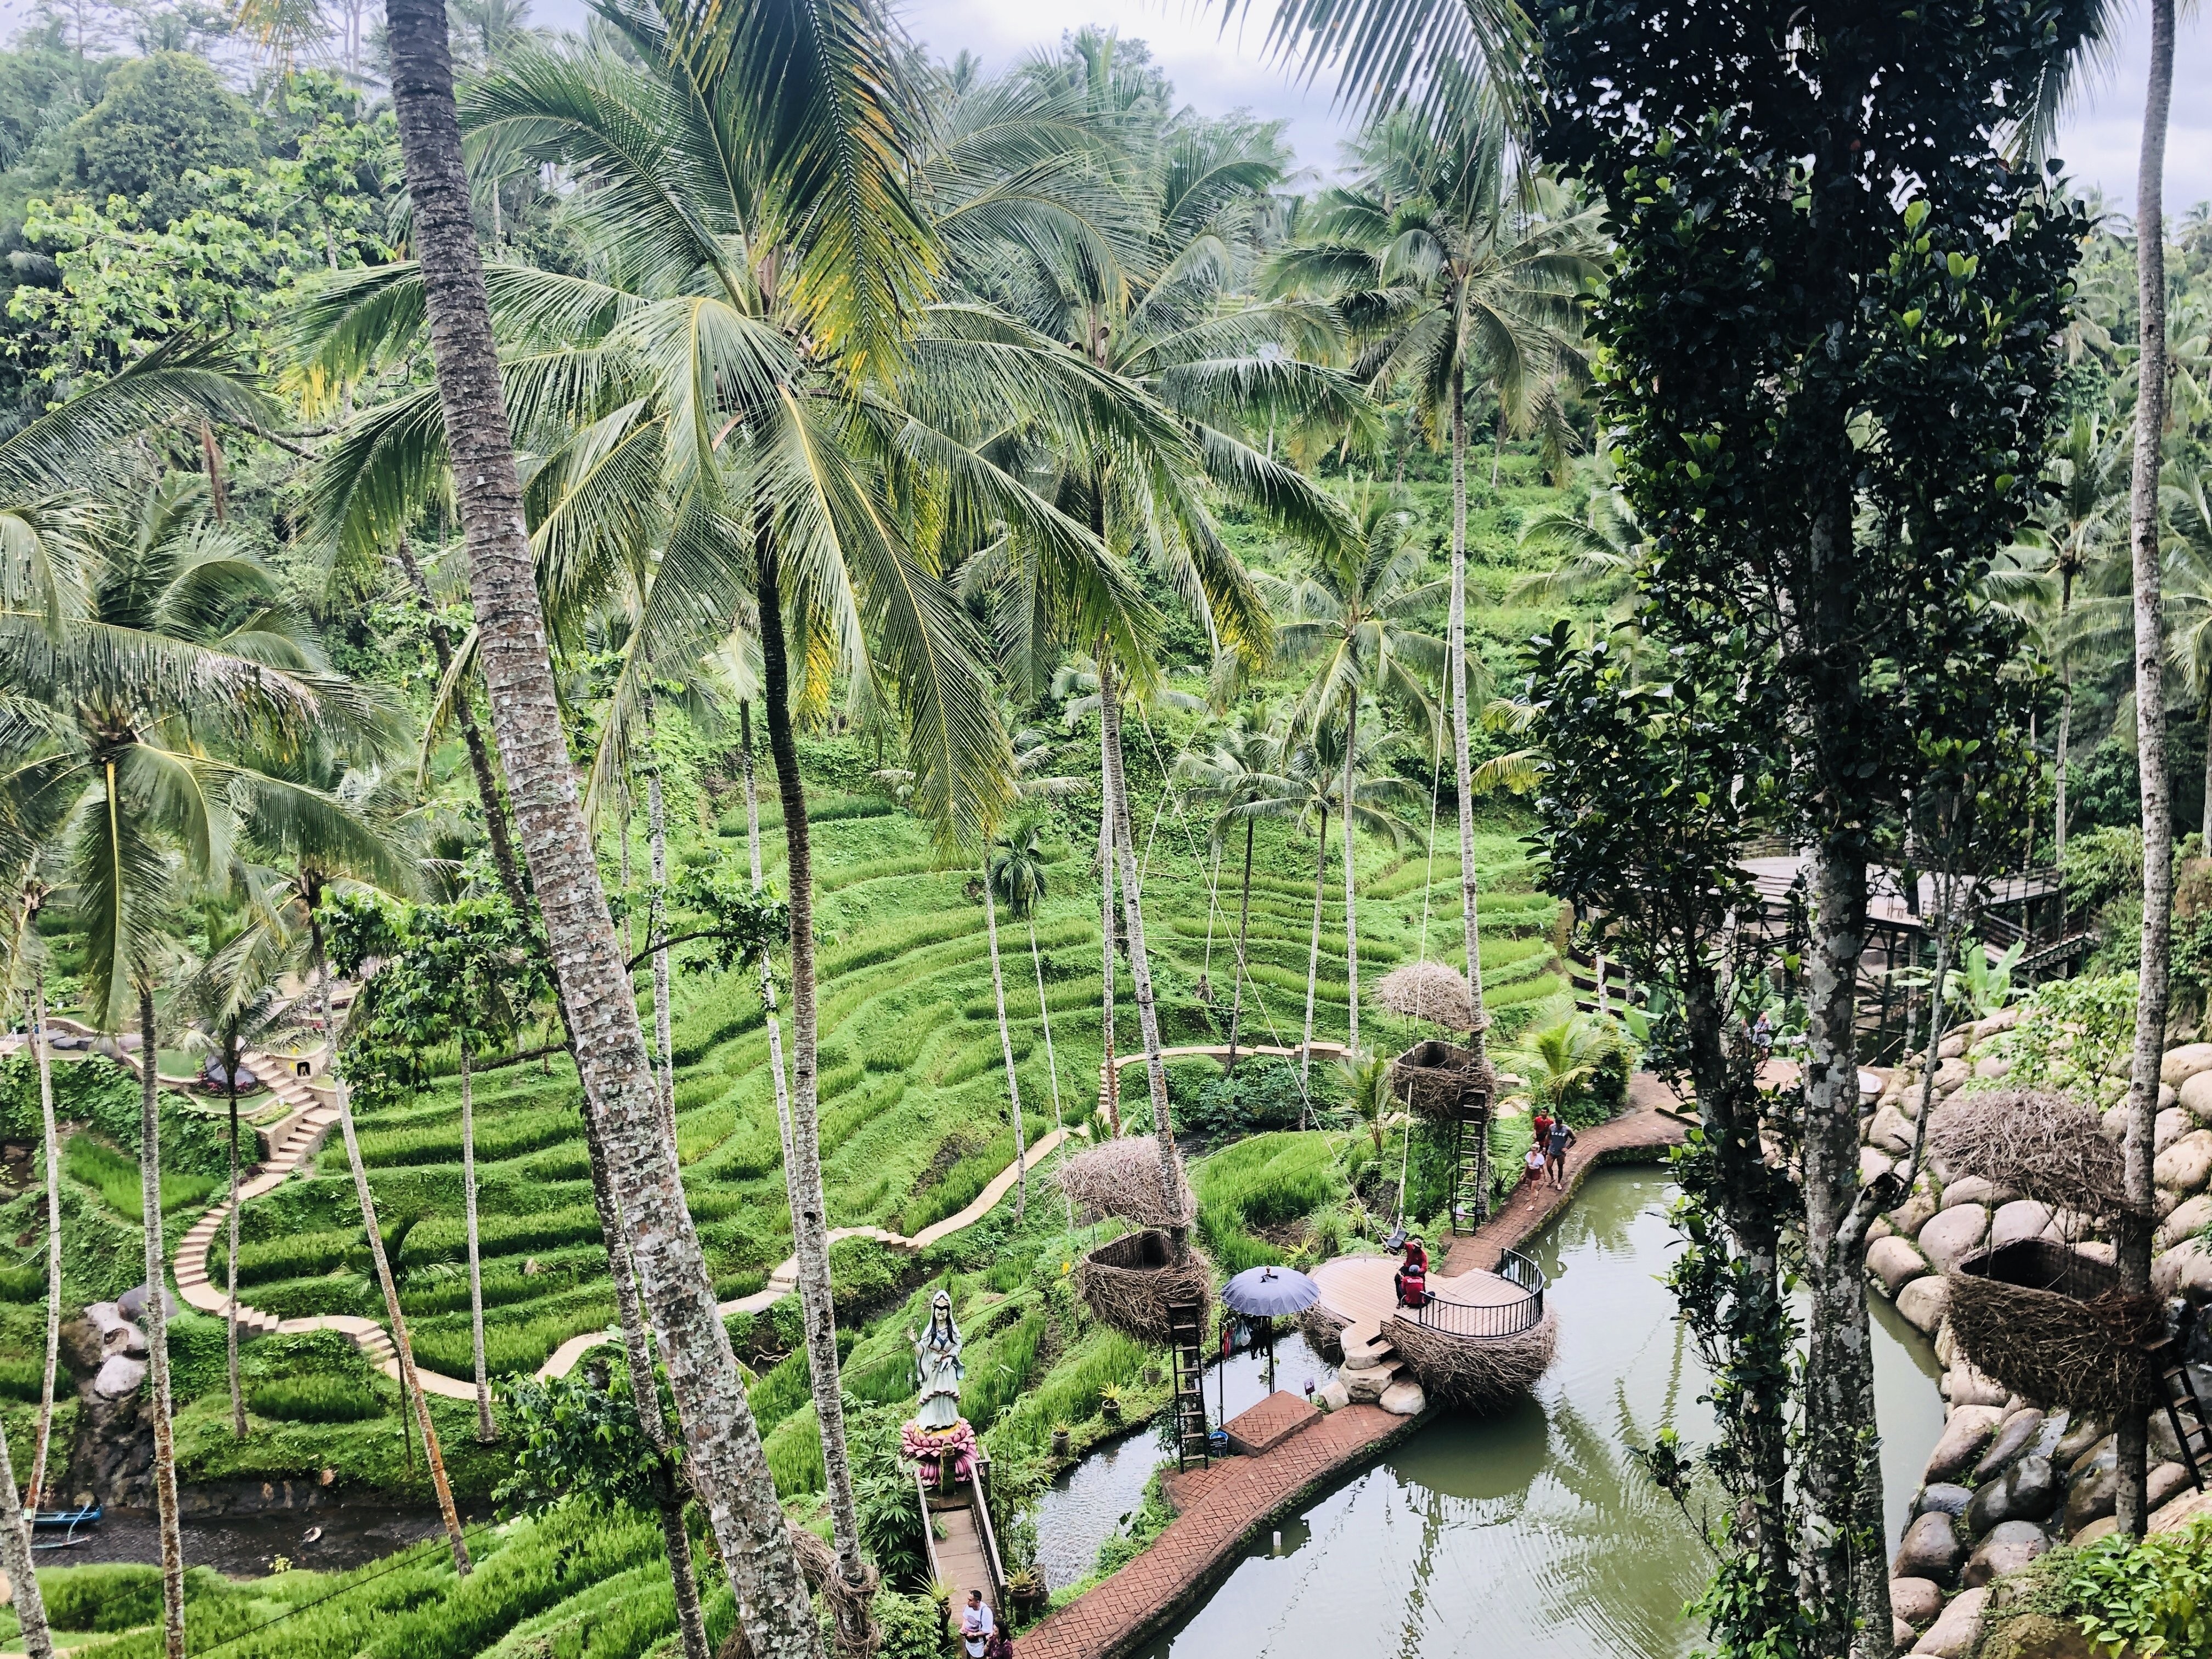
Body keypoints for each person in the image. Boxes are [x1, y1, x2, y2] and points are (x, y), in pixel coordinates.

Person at [1393, 1234, 1429, 1308]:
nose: (1414, 1247)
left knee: (1421, 1281)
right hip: (1407, 1267)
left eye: (1417, 1247)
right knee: (1397, 1278)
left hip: (1417, 1270)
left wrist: (1416, 1271)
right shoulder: (1409, 1246)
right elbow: (1402, 1245)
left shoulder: (1423, 1255)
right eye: (1414, 1245)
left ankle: (1422, 1297)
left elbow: (1424, 1268)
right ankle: (1401, 1300)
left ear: (1420, 1248)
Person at [1545, 1114, 1577, 1190]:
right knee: (1549, 1166)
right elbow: (1548, 1136)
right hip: (1552, 1150)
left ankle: (1559, 1183)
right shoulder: (1551, 1127)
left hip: (1561, 1152)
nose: (1559, 1126)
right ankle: (1552, 1178)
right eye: (1557, 1125)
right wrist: (1546, 1144)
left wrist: (1567, 1148)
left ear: (1562, 1124)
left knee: (1560, 1167)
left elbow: (1574, 1139)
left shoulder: (1567, 1129)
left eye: (1560, 1125)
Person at [962, 1590, 995, 1659]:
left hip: (979, 1644)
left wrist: (974, 1634)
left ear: (977, 1602)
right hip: (969, 1642)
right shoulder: (969, 1607)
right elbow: (965, 1618)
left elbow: (987, 1631)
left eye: (971, 1600)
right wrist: (963, 1628)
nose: (968, 1602)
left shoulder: (985, 1612)